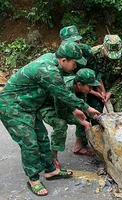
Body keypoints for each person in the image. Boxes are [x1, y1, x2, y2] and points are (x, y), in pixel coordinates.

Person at [0, 41, 100, 196]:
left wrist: (73, 109)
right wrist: (85, 107)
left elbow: (55, 91)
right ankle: (33, 179)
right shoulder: (48, 69)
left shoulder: (53, 61)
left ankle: (50, 170)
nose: (76, 67)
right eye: (75, 63)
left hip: (29, 106)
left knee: (42, 138)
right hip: (12, 107)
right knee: (30, 143)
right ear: (64, 60)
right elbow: (62, 93)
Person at [39, 68, 101, 169]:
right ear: (80, 84)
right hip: (47, 106)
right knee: (60, 124)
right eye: (89, 86)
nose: (91, 90)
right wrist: (82, 122)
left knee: (84, 116)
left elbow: (81, 105)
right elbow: (62, 115)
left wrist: (88, 115)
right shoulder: (65, 89)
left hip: (64, 104)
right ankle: (53, 159)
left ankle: (78, 147)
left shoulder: (79, 88)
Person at [91, 35, 122, 113]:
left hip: (116, 86)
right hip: (96, 87)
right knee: (95, 113)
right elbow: (91, 72)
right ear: (104, 46)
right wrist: (100, 89)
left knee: (120, 114)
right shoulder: (93, 53)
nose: (112, 58)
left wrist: (110, 92)